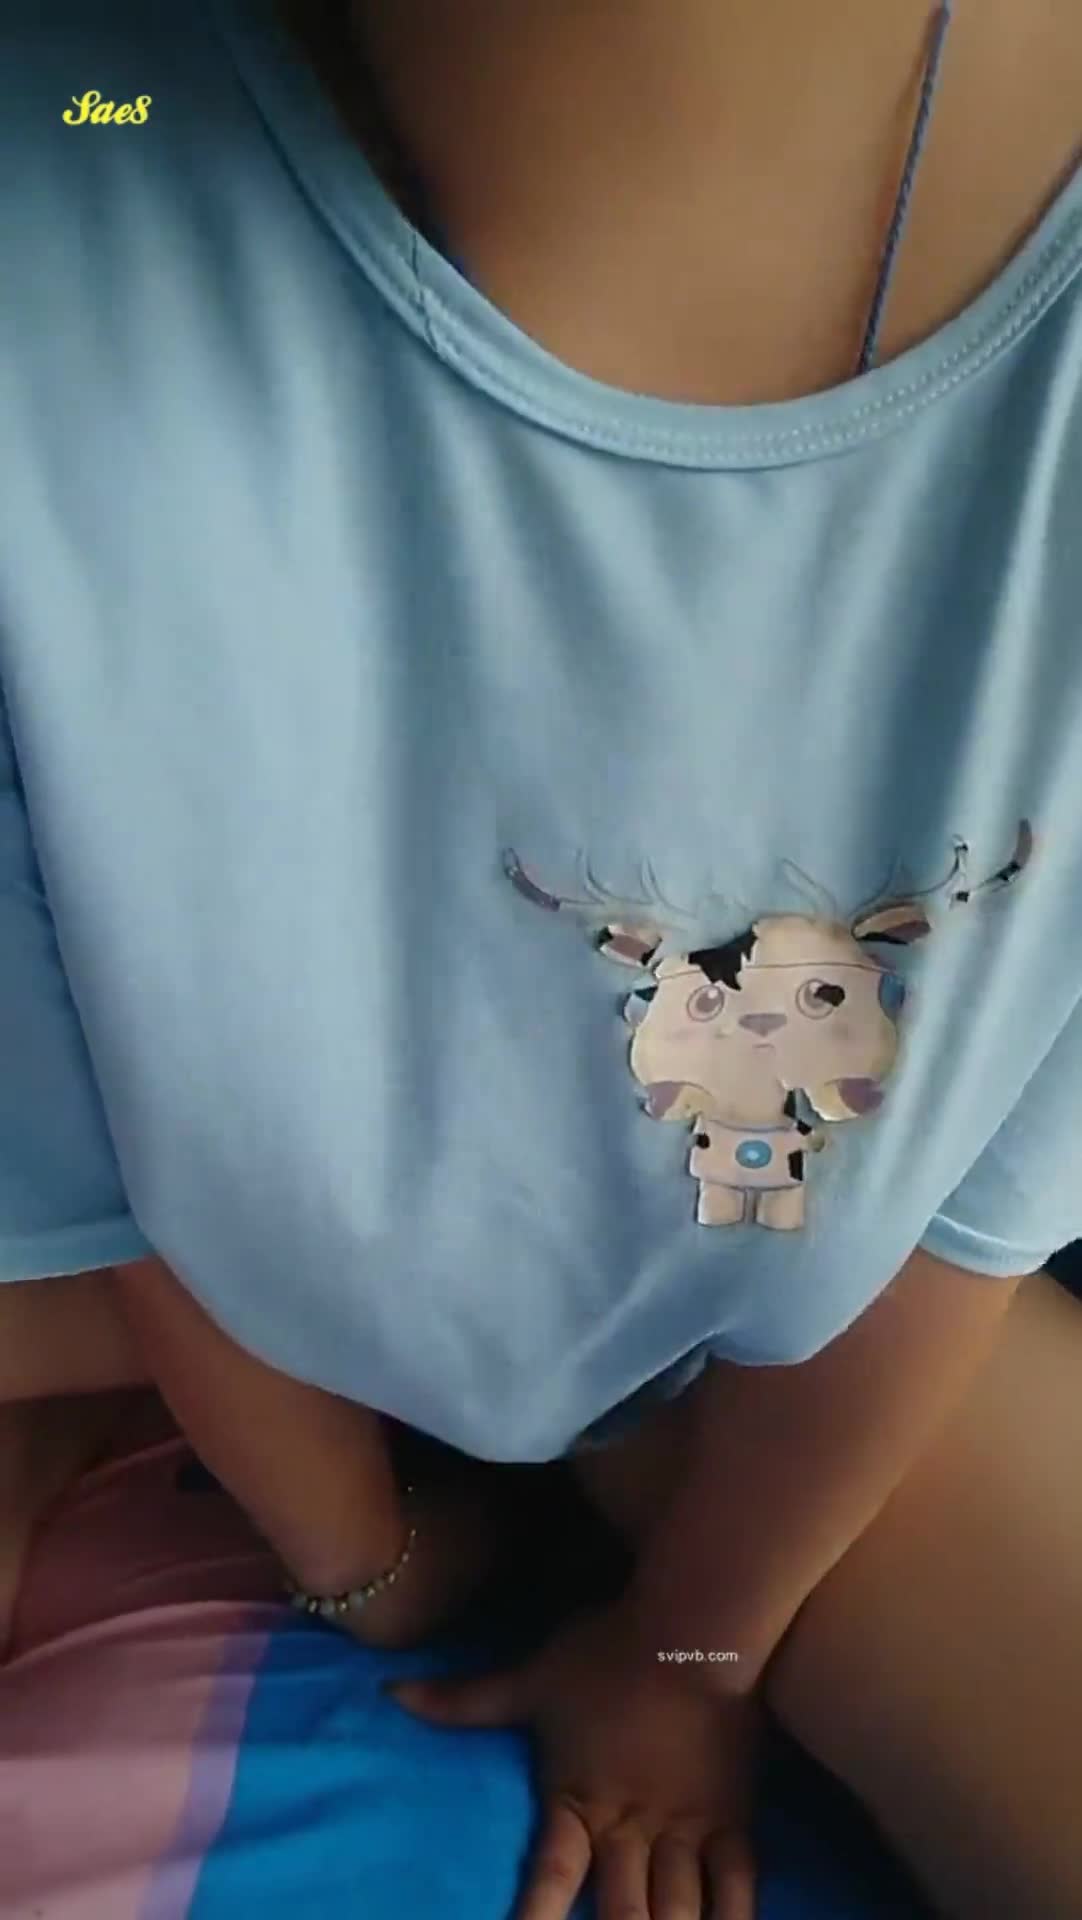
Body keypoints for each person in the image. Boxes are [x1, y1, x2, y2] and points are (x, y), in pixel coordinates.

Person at [1, 2, 1081, 1914]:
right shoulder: (86, 120)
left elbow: (968, 1227)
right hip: (249, 1299)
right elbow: (109, 1186)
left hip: (742, 1351)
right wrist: (370, 1563)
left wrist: (689, 1646)